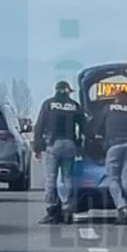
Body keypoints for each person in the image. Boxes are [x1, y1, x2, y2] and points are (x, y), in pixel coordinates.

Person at [32, 80, 86, 224]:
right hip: (70, 144)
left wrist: (37, 148)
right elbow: (84, 127)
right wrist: (79, 145)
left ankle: (52, 210)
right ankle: (67, 206)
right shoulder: (74, 105)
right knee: (67, 177)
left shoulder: (48, 104)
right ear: (68, 92)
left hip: (53, 144)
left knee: (51, 177)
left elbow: (39, 126)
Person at [97, 89, 127, 224]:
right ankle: (126, 204)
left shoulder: (108, 109)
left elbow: (97, 127)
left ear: (116, 99)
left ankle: (122, 207)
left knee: (113, 178)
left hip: (114, 145)